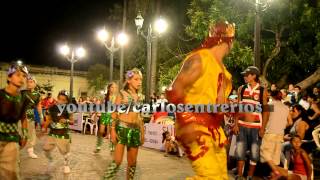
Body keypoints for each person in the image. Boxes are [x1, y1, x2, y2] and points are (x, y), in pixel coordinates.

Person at [166, 21, 235, 179]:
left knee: (221, 177)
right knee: (210, 176)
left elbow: (219, 107)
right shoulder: (200, 59)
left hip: (214, 129)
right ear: (227, 39)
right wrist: (186, 121)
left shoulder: (224, 72)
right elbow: (174, 90)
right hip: (194, 124)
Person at [104, 68, 144, 180]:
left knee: (132, 163)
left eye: (140, 79)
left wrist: (142, 133)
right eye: (136, 79)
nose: (139, 82)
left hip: (135, 131)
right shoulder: (121, 94)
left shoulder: (140, 97)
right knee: (117, 161)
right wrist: (112, 130)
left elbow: (139, 117)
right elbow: (114, 113)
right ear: (129, 80)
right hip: (122, 129)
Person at [233, 66, 269, 180]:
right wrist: (235, 124)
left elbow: (266, 111)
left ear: (254, 76)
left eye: (247, 75)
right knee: (240, 152)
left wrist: (263, 128)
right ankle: (239, 175)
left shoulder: (262, 90)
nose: (244, 77)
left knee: (254, 153)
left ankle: (249, 176)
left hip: (256, 127)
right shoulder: (241, 89)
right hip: (242, 125)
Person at [0, 62, 29, 179]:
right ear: (9, 77)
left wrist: (25, 135)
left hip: (12, 139)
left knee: (11, 173)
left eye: (24, 76)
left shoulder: (23, 98)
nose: (21, 78)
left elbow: (23, 118)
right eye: (18, 75)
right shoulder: (0, 95)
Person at [41, 90, 73, 174]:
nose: (61, 101)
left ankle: (66, 165)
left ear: (67, 101)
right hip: (52, 133)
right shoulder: (52, 108)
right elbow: (48, 119)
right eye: (60, 99)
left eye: (63, 100)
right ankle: (51, 161)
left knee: (65, 152)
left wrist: (66, 120)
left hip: (63, 134)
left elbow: (73, 121)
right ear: (57, 98)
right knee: (46, 149)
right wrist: (44, 128)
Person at [260, 90, 290, 177]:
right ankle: (274, 175)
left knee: (265, 153)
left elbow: (265, 118)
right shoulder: (286, 107)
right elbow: (290, 122)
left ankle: (275, 171)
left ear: (271, 96)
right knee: (275, 158)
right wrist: (282, 126)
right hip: (280, 133)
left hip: (270, 132)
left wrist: (262, 129)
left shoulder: (270, 105)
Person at [23, 75, 44, 159]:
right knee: (19, 134)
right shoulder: (22, 92)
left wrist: (41, 115)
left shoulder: (37, 95)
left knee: (31, 135)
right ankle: (15, 152)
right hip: (21, 117)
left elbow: (38, 105)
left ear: (35, 83)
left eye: (31, 82)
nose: (29, 83)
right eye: (27, 82)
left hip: (30, 116)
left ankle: (30, 151)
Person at [94, 82, 118, 154]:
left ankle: (112, 148)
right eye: (112, 87)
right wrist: (96, 115)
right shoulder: (104, 97)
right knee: (101, 131)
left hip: (112, 116)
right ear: (108, 88)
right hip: (104, 115)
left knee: (112, 132)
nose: (113, 89)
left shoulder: (117, 97)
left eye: (115, 87)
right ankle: (98, 147)